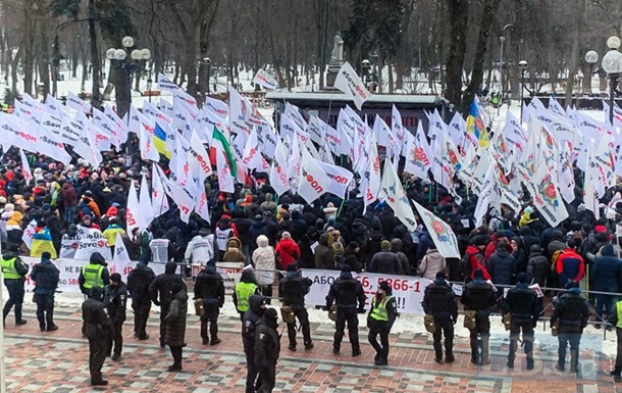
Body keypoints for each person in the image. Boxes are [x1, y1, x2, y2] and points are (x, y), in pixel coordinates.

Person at [325, 265, 366, 356]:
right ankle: (355, 350)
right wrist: (361, 308)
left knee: (339, 329)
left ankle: (336, 348)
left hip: (340, 308)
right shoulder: (356, 283)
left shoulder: (336, 283)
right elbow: (362, 297)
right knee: (353, 330)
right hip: (352, 308)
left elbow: (330, 297)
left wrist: (329, 307)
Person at [502, 272, 540, 370]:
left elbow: (506, 306)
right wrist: (534, 320)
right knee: (528, 340)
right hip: (528, 319)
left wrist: (508, 314)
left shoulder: (511, 291)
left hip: (515, 318)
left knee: (513, 339)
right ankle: (530, 363)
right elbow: (536, 309)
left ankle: (510, 361)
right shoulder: (532, 293)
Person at [550, 282, 589, 373]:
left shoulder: (563, 299)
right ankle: (574, 367)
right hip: (576, 326)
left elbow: (556, 313)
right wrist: (582, 326)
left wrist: (552, 323)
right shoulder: (582, 301)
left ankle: (561, 365)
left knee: (562, 346)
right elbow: (586, 315)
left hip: (563, 326)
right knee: (575, 347)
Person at [461, 269, 496, 365]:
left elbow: (463, 300)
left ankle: (474, 357)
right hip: (484, 314)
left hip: (472, 314)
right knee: (485, 335)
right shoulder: (488, 287)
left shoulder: (468, 287)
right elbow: (493, 302)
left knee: (473, 335)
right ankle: (484, 358)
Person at [149, 261, 187, 348]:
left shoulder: (160, 278)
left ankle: (163, 339)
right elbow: (184, 289)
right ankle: (177, 340)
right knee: (177, 323)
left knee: (164, 321)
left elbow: (151, 288)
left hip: (164, 302)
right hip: (175, 302)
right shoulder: (177, 278)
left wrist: (155, 300)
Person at [422, 271, 458, 364]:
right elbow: (453, 305)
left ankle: (438, 356)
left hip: (434, 316)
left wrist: (428, 312)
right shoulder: (448, 289)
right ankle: (449, 356)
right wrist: (454, 316)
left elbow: (425, 302)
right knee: (448, 337)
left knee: (436, 337)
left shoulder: (429, 288)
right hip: (446, 316)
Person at [82, 287, 113, 386]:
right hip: (99, 332)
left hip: (89, 329)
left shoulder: (85, 303)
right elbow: (106, 321)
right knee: (99, 354)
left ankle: (93, 373)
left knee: (93, 353)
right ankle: (96, 377)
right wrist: (112, 332)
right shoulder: (100, 306)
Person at [278, 265, 313, 351]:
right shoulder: (301, 280)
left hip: (288, 306)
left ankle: (292, 344)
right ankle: (307, 342)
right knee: (305, 323)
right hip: (300, 305)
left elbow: (280, 295)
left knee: (290, 325)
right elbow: (307, 288)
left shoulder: (282, 281)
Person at [590, 244, 621, 328]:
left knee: (599, 305)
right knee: (610, 306)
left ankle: (598, 323)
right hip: (612, 287)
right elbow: (620, 277)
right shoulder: (618, 262)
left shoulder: (599, 261)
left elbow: (593, 274)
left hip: (599, 286)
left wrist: (594, 283)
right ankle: (609, 324)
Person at [367, 281, 398, 366]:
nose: (379, 290)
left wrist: (388, 325)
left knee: (384, 342)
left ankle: (384, 359)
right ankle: (379, 352)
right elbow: (372, 309)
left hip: (383, 323)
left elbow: (393, 314)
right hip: (374, 322)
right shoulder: (375, 297)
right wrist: (368, 319)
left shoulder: (390, 299)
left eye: (381, 289)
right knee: (371, 338)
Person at [194, 262, 225, 345]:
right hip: (214, 302)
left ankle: (204, 338)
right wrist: (221, 301)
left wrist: (197, 298)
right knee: (213, 321)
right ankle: (214, 338)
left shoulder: (200, 276)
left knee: (203, 320)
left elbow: (196, 289)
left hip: (203, 301)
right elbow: (221, 291)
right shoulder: (217, 276)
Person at [127, 254, 155, 340]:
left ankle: (136, 330)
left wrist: (133, 294)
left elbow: (129, 285)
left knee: (137, 313)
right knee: (144, 315)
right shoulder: (149, 272)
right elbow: (153, 285)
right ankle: (141, 333)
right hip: (145, 296)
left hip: (135, 296)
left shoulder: (132, 272)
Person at [30, 251, 60, 332]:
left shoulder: (37, 267)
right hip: (49, 291)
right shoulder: (52, 267)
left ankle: (42, 325)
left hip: (39, 290)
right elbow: (56, 278)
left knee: (40, 309)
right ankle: (50, 325)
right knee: (49, 309)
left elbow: (32, 276)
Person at [243, 295, 267, 393]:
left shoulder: (260, 312)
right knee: (253, 369)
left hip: (261, 346)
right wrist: (261, 337)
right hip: (252, 347)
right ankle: (249, 388)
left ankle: (259, 385)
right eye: (262, 304)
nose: (264, 306)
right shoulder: (248, 317)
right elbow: (247, 333)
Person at [2, 243, 28, 326]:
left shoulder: (3, 258)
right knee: (17, 301)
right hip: (17, 281)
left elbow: (3, 269)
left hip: (7, 280)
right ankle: (18, 319)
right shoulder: (16, 259)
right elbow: (23, 271)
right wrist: (26, 266)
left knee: (12, 299)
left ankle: (5, 317)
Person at [255, 308, 280, 393]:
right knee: (267, 384)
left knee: (266, 383)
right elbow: (259, 347)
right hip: (266, 360)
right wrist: (262, 362)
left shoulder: (270, 326)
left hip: (270, 359)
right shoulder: (263, 329)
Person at [164, 283, 188, 371]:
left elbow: (173, 314)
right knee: (178, 345)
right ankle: (178, 363)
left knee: (173, 345)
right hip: (181, 325)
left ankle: (176, 364)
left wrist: (166, 319)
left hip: (174, 326)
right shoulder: (183, 299)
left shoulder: (175, 302)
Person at [103, 273, 127, 361]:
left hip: (117, 317)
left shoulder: (121, 291)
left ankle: (117, 352)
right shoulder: (109, 288)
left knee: (116, 334)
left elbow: (121, 307)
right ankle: (107, 350)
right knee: (108, 333)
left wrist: (117, 319)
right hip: (109, 314)